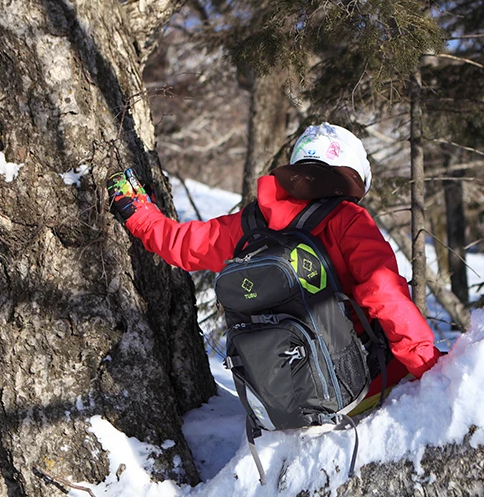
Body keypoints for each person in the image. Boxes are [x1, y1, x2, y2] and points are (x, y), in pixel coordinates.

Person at [107, 122, 442, 414]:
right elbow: (384, 292)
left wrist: (135, 209)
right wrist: (429, 366)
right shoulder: (348, 219)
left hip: (277, 399)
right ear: (352, 176)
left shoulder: (251, 224)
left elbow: (181, 245)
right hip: (360, 386)